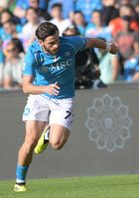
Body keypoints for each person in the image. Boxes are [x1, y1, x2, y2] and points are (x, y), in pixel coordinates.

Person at [13, 22, 118, 192]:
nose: (56, 45)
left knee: (57, 143)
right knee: (31, 140)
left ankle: (49, 133)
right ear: (41, 42)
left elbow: (90, 41)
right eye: (51, 43)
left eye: (57, 40)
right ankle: (20, 182)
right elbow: (26, 86)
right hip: (39, 95)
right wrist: (44, 89)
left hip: (64, 98)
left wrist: (108, 46)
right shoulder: (33, 52)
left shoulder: (70, 43)